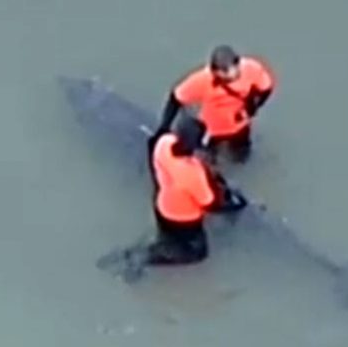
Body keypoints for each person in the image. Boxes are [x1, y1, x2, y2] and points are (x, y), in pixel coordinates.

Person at [98, 117, 247, 280]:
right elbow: (210, 204)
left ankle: (132, 256)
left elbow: (152, 153)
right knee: (196, 252)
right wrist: (235, 204)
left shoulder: (164, 144)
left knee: (167, 239)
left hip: (162, 206)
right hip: (183, 220)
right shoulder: (193, 173)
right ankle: (145, 258)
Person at [152, 44, 275, 164]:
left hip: (241, 125)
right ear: (214, 71)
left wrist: (254, 105)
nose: (230, 74)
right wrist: (164, 127)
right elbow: (176, 98)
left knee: (242, 156)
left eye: (232, 69)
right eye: (224, 72)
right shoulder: (203, 80)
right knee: (209, 161)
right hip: (213, 130)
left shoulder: (252, 69)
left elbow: (266, 87)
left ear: (238, 63)